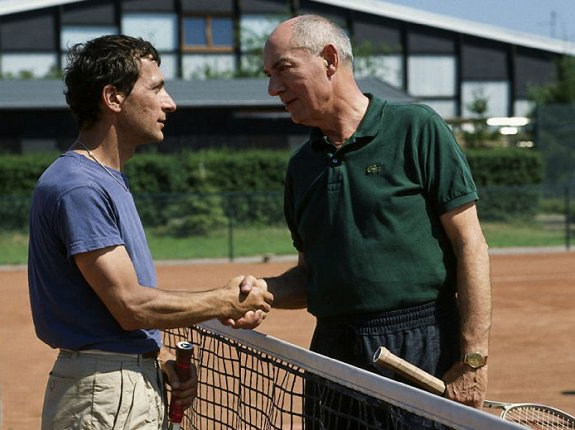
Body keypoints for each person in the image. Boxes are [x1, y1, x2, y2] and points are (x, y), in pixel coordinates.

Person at [244, 13, 491, 418]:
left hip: (422, 342)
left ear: (328, 59)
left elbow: (472, 245)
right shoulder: (301, 165)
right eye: (269, 75)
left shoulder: (417, 128)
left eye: (283, 69)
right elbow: (310, 278)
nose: (273, 88)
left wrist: (473, 361)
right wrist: (261, 291)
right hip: (333, 353)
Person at [27, 35, 273, 430]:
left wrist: (149, 367)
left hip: (117, 386)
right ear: (113, 98)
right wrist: (226, 301)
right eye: (156, 88)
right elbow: (131, 306)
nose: (170, 102)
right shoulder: (79, 185)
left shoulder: (105, 180)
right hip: (104, 397)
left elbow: (113, 318)